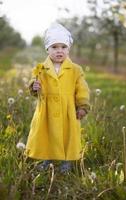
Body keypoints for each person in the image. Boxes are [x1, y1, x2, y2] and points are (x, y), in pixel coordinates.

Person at [25, 23, 90, 173]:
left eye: (63, 47)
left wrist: (82, 106)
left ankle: (66, 161)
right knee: (47, 135)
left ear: (68, 49)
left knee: (67, 136)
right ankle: (47, 158)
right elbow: (35, 84)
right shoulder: (41, 68)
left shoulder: (75, 70)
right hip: (46, 109)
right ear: (47, 49)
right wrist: (34, 87)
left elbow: (82, 89)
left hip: (68, 110)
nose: (59, 51)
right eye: (54, 47)